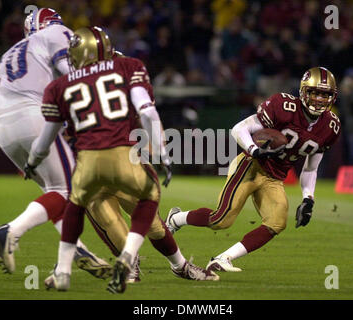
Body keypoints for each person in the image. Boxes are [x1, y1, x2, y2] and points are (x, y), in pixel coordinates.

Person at [25, 26, 219, 293]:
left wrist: (34, 160)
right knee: (138, 219)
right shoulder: (126, 68)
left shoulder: (63, 82)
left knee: (113, 219)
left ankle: (78, 269)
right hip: (123, 155)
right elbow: (147, 111)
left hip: (91, 161)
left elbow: (51, 132)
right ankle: (159, 265)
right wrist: (162, 151)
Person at [166, 67, 341, 272]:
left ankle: (223, 258)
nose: (319, 99)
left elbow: (311, 169)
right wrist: (254, 150)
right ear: (303, 91)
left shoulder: (330, 126)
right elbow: (239, 128)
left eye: (325, 94)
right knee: (221, 220)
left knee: (277, 222)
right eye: (315, 93)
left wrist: (308, 198)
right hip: (251, 165)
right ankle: (175, 219)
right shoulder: (283, 106)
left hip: (274, 177)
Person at [0, 8, 111, 279]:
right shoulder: (55, 33)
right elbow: (73, 77)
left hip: (2, 126)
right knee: (67, 190)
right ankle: (11, 230)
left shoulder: (13, 51)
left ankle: (77, 253)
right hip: (32, 116)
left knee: (54, 194)